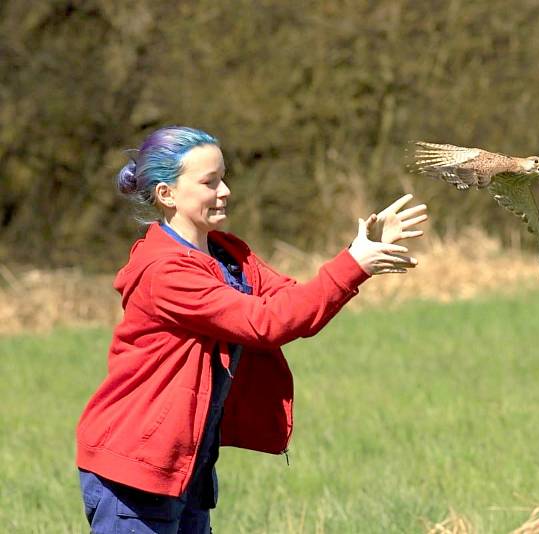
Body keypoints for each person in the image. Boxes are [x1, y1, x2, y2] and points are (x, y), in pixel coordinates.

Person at [75, 126, 427, 533]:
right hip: (137, 466)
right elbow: (264, 323)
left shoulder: (228, 253)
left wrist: (359, 254)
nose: (224, 190)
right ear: (166, 194)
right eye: (209, 182)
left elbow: (297, 308)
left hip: (188, 464)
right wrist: (353, 263)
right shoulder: (165, 271)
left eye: (223, 177)